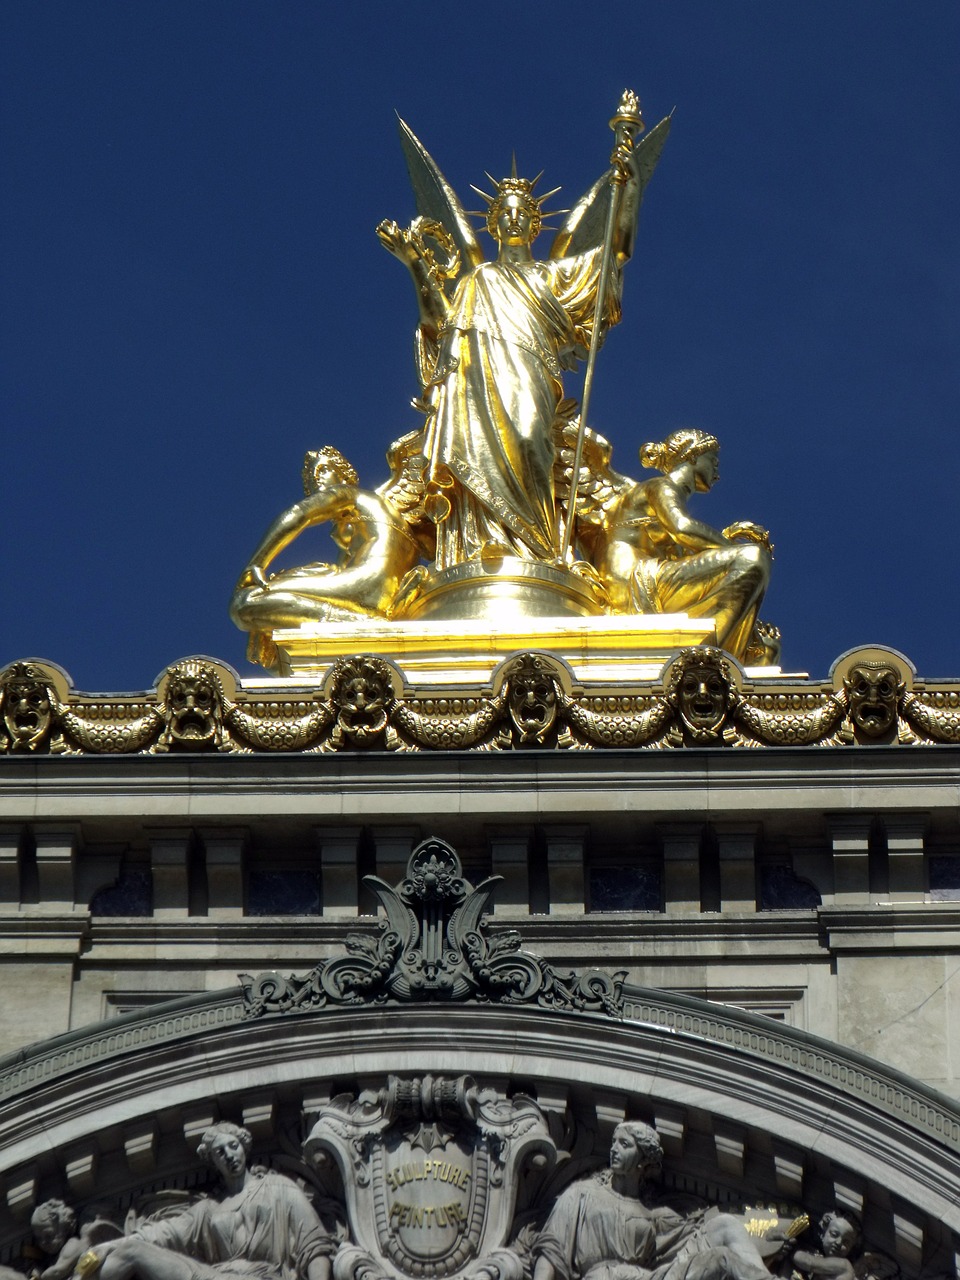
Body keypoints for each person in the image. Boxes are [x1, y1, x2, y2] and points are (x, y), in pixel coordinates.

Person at [377, 148, 643, 572]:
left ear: (536, 225)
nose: (514, 219)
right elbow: (441, 327)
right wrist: (414, 265)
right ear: (495, 222)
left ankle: (539, 550)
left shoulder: (552, 276)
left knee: (529, 440)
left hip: (532, 376)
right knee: (477, 451)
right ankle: (481, 548)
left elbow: (613, 255)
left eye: (523, 213)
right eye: (506, 213)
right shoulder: (478, 279)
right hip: (476, 383)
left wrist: (627, 188)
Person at [592, 430, 772, 661]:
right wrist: (729, 546)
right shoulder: (660, 486)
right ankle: (704, 658)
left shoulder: (662, 495)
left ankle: (712, 651)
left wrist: (726, 541)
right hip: (633, 581)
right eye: (713, 461)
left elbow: (684, 549)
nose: (717, 473)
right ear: (694, 457)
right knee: (752, 558)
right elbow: (682, 528)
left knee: (765, 648)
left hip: (648, 576)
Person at [78, 1121, 337, 1280]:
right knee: (129, 1252)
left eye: (233, 1146)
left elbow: (314, 1246)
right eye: (220, 1153)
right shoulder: (207, 1211)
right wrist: (108, 1247)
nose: (229, 1156)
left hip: (264, 1277)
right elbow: (160, 1234)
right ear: (213, 1162)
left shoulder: (278, 1187)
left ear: (244, 1147)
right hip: (214, 1275)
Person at [230, 442, 429, 642]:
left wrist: (256, 563)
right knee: (270, 618)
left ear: (344, 476)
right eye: (311, 478)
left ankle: (354, 622)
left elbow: (299, 513)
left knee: (246, 602)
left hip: (369, 582)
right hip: (384, 592)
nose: (317, 479)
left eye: (324, 469)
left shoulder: (350, 494)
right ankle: (352, 622)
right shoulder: (363, 525)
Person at [532, 1121, 773, 1280]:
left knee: (725, 1234)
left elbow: (691, 1238)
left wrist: (767, 1239)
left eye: (624, 1144)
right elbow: (551, 1252)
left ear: (642, 1161)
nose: (614, 1149)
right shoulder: (581, 1194)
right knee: (721, 1258)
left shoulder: (653, 1215)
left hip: (646, 1277)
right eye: (614, 1142)